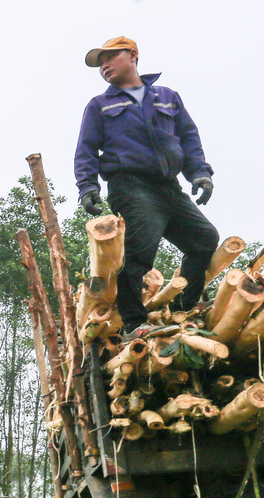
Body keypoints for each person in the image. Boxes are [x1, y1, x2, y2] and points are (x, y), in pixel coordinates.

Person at [73, 35, 220, 340]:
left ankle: (182, 308)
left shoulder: (167, 96)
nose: (104, 66)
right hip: (130, 185)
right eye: (100, 63)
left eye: (110, 58)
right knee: (139, 252)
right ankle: (133, 323)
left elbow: (189, 138)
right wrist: (88, 187)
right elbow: (86, 149)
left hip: (169, 187)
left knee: (204, 239)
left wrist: (200, 174)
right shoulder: (100, 105)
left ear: (133, 55)